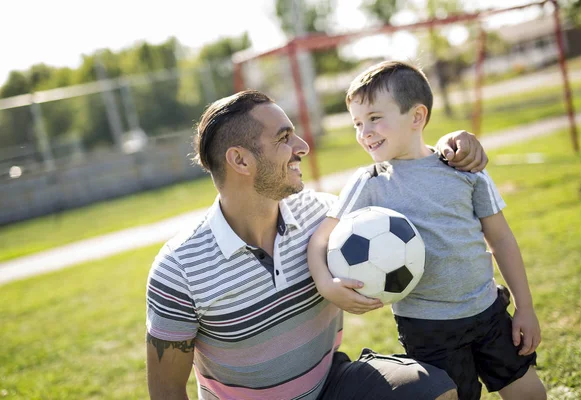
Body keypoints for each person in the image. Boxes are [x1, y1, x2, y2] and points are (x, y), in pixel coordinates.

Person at [145, 89, 489, 400]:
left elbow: (408, 184)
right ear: (240, 160)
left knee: (432, 389)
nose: (303, 147)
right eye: (284, 138)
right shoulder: (180, 267)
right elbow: (167, 389)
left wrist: (451, 145)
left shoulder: (327, 218)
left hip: (332, 386)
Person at [307, 61, 547, 400]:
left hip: (488, 312)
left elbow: (502, 239)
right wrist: (326, 283)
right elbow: (322, 240)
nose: (365, 132)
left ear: (417, 117)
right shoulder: (369, 183)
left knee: (530, 393)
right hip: (428, 329)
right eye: (358, 123)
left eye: (375, 118)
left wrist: (525, 306)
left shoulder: (464, 168)